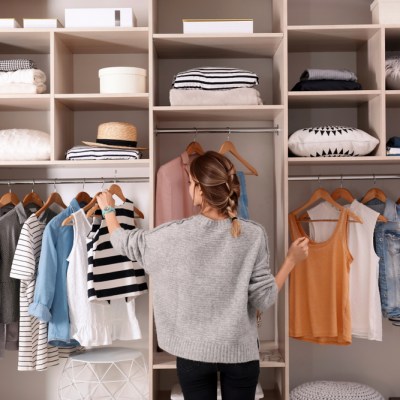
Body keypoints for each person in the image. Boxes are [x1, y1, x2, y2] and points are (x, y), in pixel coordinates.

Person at [97, 150, 309, 400]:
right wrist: (291, 261)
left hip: (192, 355)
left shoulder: (174, 234)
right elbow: (263, 299)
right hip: (241, 354)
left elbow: (125, 243)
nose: (188, 188)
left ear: (199, 189)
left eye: (190, 183)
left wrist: (109, 211)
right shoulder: (253, 235)